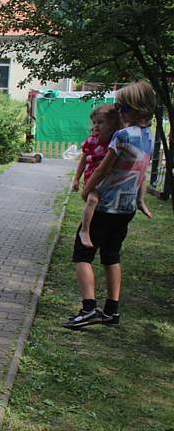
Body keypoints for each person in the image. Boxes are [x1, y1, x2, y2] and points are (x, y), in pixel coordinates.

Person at [63, 80, 156, 329]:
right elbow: (141, 174)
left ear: (138, 108)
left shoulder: (122, 135)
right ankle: (112, 311)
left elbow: (103, 169)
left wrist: (86, 191)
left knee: (82, 254)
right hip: (126, 209)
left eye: (122, 107)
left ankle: (89, 309)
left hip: (104, 206)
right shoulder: (149, 137)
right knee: (111, 256)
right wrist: (140, 200)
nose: (119, 112)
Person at [73, 105, 150, 248]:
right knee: (92, 199)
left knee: (142, 176)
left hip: (111, 183)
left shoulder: (115, 139)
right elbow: (84, 160)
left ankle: (140, 201)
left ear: (113, 124)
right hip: (94, 181)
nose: (96, 126)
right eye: (94, 122)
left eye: (100, 122)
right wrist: (76, 179)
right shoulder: (91, 141)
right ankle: (85, 230)